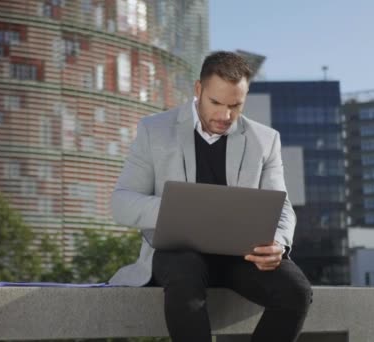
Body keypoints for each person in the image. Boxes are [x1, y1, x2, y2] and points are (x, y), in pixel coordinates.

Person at [108, 51, 312, 341]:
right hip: (178, 256)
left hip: (241, 257)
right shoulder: (154, 131)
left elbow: (282, 207)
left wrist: (279, 242)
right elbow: (122, 203)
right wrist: (178, 211)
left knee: (297, 293)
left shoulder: (266, 141)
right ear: (198, 90)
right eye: (215, 102)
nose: (224, 116)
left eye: (235, 106)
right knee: (185, 273)